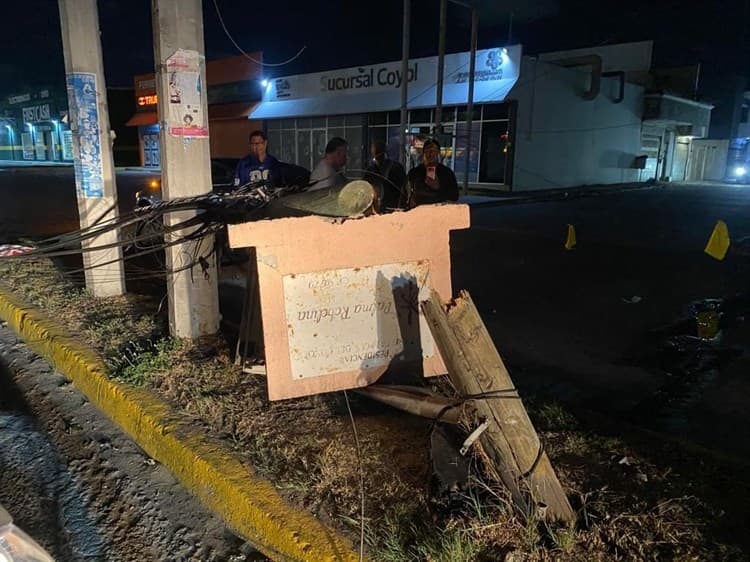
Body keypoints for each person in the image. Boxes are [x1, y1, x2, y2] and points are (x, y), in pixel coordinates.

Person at [405, 138, 459, 207]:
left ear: (438, 153)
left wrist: (438, 188)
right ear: (423, 153)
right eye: (427, 151)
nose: (430, 155)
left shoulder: (447, 173)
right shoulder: (415, 173)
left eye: (433, 151)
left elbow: (454, 196)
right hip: (418, 212)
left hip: (438, 212)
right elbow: (405, 193)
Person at [364, 140, 407, 212]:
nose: (376, 155)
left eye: (378, 151)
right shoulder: (370, 170)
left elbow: (403, 189)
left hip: (393, 208)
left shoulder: (396, 168)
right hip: (377, 209)